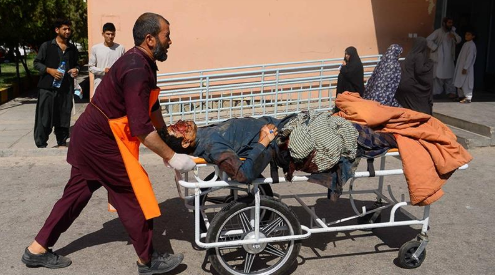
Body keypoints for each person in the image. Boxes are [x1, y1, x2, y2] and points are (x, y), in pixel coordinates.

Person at [21, 13, 196, 275]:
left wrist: (166, 137)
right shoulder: (137, 68)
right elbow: (140, 128)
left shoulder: (143, 62)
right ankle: (147, 260)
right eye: (166, 35)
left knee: (75, 196)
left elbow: (152, 106)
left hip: (89, 137)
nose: (170, 41)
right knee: (134, 193)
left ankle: (36, 249)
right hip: (99, 142)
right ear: (150, 39)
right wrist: (173, 156)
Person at [33, 18, 79, 148]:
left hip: (65, 89)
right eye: (64, 29)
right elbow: (36, 63)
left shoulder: (72, 48)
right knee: (44, 117)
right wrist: (49, 70)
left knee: (64, 115)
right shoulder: (47, 46)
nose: (67, 31)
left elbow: (76, 64)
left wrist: (76, 70)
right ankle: (41, 144)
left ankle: (62, 142)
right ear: (57, 30)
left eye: (69, 29)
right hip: (47, 88)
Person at [395, 37, 434, 114]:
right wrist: (430, 64)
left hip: (403, 84)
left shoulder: (410, 54)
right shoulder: (419, 55)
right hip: (412, 85)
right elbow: (419, 71)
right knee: (421, 103)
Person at [426, 17, 461, 99]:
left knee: (450, 76)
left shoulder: (452, 32)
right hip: (439, 58)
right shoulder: (438, 32)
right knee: (438, 76)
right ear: (444, 23)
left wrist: (454, 37)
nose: (450, 24)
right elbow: (428, 40)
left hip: (449, 59)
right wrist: (435, 47)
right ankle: (436, 93)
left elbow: (459, 39)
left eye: (451, 22)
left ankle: (451, 92)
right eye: (449, 22)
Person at [88, 22, 126, 95]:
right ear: (103, 34)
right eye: (108, 34)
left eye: (112, 34)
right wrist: (103, 70)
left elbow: (123, 66)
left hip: (115, 86)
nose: (110, 36)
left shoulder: (121, 48)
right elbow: (91, 68)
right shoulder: (95, 48)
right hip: (100, 86)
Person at [453, 30, 477, 104]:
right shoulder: (466, 44)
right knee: (459, 81)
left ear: (473, 36)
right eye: (466, 34)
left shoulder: (472, 45)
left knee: (466, 82)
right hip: (461, 66)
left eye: (469, 34)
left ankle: (468, 97)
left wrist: (466, 67)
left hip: (466, 68)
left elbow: (470, 57)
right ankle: (461, 96)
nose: (466, 36)